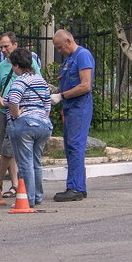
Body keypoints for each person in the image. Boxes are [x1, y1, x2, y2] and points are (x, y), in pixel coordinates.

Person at [0, 32, 39, 199]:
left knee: (8, 150)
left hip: (21, 112)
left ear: (15, 45)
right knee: (6, 148)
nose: (3, 49)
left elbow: (38, 83)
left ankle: (1, 184)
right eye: (1, 46)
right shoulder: (2, 66)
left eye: (6, 46)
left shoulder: (28, 63)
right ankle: (15, 184)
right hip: (4, 112)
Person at [5, 47, 53, 209]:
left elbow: (13, 100)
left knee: (25, 163)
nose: (12, 68)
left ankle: (28, 199)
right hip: (43, 125)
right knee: (36, 162)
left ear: (17, 65)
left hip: (25, 125)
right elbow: (47, 104)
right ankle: (38, 196)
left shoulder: (20, 81)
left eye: (13, 65)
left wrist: (16, 114)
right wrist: (42, 116)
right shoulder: (40, 80)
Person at [52, 29, 94, 201]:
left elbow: (85, 86)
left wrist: (61, 96)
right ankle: (78, 186)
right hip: (71, 107)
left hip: (80, 107)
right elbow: (68, 84)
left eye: (60, 47)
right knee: (71, 146)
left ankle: (75, 188)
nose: (59, 51)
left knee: (75, 146)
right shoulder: (69, 59)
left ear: (69, 41)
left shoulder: (82, 55)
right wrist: (55, 90)